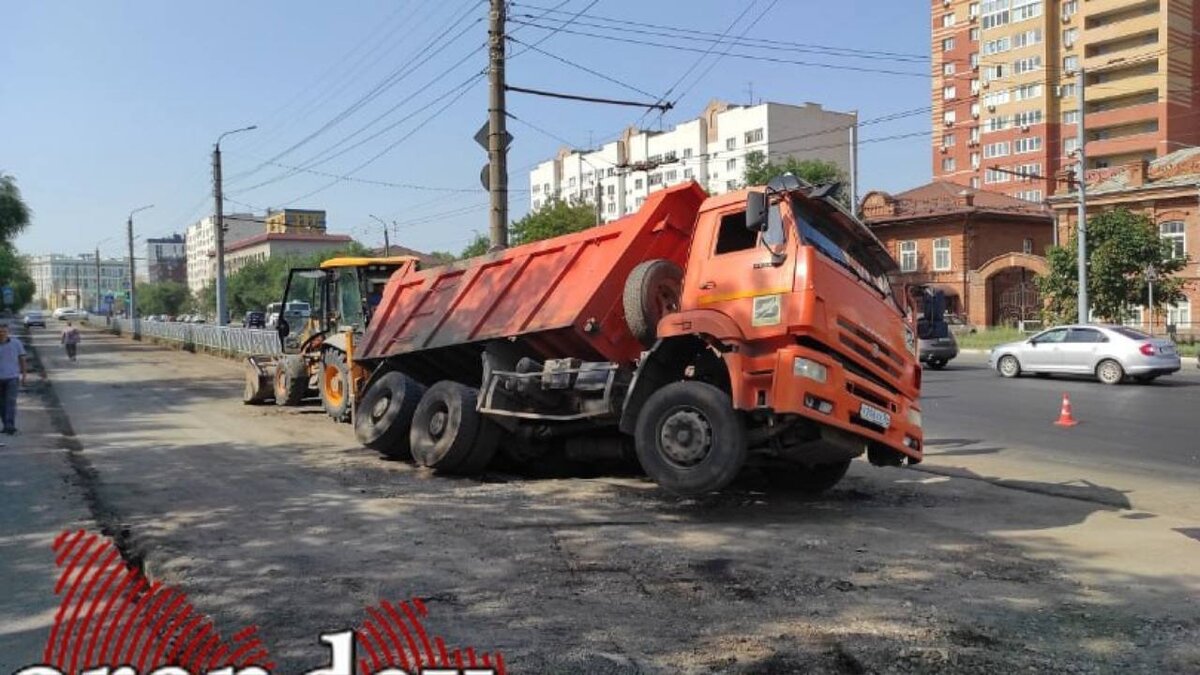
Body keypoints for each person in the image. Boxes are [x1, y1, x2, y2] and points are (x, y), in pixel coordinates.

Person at [0, 323, 28, 435]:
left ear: (8, 332)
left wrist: (24, 375)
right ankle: (6, 425)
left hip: (12, 377)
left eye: (4, 331)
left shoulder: (16, 343)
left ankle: (10, 426)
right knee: (1, 404)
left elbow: (22, 359)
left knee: (10, 402)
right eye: (0, 332)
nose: (2, 333)